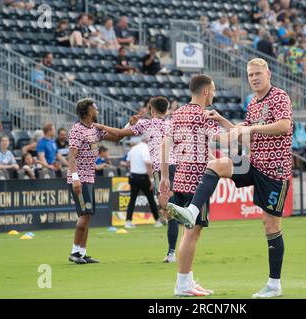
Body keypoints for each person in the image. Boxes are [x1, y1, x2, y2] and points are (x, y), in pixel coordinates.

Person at [163, 59, 293, 298]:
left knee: (271, 224)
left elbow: (284, 125)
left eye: (257, 74)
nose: (254, 78)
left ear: (268, 73)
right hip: (254, 164)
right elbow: (243, 137)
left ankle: (274, 285)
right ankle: (192, 211)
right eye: (250, 74)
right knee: (215, 165)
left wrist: (251, 130)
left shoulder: (279, 96)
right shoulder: (252, 103)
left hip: (275, 170)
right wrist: (224, 121)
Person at [158, 74, 220, 296]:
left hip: (181, 178)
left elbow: (166, 143)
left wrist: (164, 176)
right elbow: (223, 139)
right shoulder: (204, 115)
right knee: (192, 233)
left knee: (189, 232)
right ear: (205, 91)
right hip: (198, 182)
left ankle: (188, 280)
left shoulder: (179, 113)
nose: (214, 93)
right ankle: (182, 285)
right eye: (213, 89)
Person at [95, 97, 178, 261]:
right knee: (171, 210)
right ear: (166, 110)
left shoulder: (147, 124)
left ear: (151, 110)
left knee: (170, 212)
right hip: (175, 167)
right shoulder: (173, 125)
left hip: (160, 170)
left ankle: (172, 253)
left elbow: (119, 134)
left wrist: (101, 126)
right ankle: (173, 250)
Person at [67, 98, 121, 264]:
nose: (97, 110)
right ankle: (75, 252)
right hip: (80, 178)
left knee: (87, 215)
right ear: (88, 111)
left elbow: (117, 138)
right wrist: (75, 179)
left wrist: (129, 125)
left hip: (89, 177)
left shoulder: (95, 129)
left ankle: (82, 252)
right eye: (95, 108)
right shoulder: (77, 130)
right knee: (85, 213)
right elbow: (71, 156)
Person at [124, 137, 163, 228]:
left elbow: (127, 163)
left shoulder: (133, 148)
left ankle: (128, 221)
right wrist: (152, 179)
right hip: (143, 177)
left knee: (132, 200)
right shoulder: (146, 148)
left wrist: (135, 167)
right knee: (151, 199)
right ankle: (157, 220)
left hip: (133, 176)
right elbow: (147, 163)